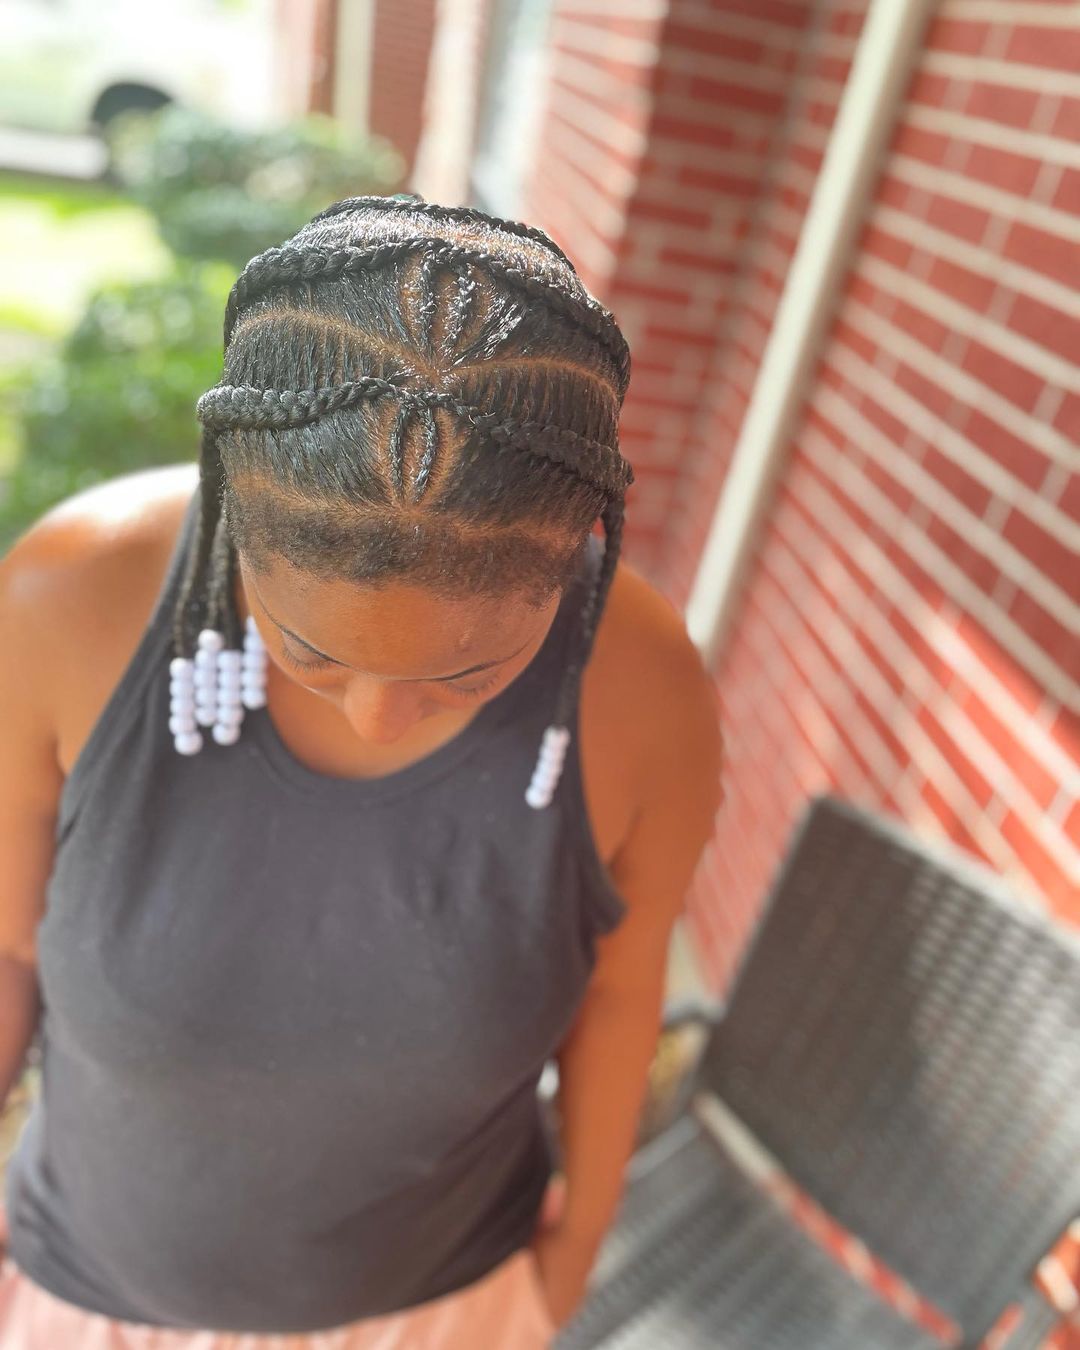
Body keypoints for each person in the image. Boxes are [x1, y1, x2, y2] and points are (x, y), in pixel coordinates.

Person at [0, 193, 724, 1348]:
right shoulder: (63, 605)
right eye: (311, 651)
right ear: (236, 514)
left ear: (575, 556)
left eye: (470, 673)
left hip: (445, 1313)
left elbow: (620, 998)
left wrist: (575, 1252)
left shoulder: (646, 690)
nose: (382, 719)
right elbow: (7, 948)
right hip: (88, 1298)